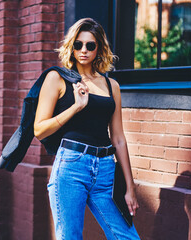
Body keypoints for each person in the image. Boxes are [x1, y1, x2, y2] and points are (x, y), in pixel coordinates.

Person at [33, 18, 141, 239]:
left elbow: (118, 138)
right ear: (71, 46)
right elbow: (39, 129)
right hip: (71, 167)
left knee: (126, 236)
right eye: (78, 44)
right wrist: (76, 107)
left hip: (106, 170)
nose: (83, 50)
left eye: (90, 45)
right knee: (70, 236)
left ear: (99, 48)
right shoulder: (58, 78)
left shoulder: (112, 86)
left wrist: (130, 187)